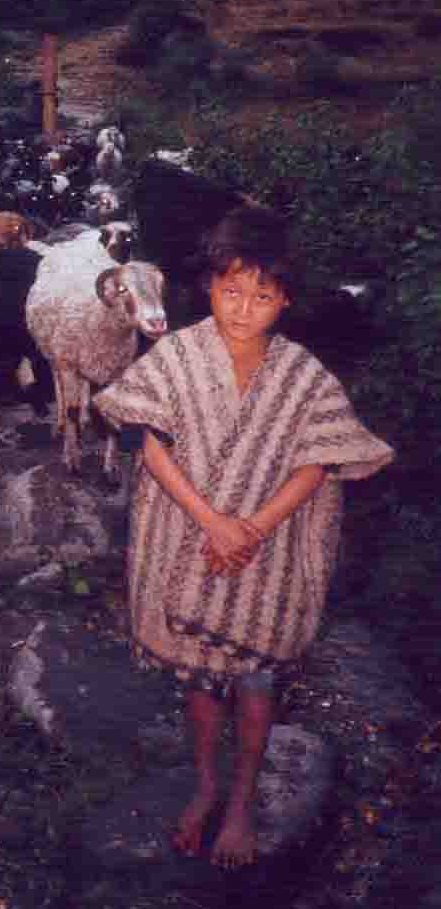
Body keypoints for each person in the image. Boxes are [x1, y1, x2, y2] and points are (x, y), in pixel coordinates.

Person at [93, 205, 395, 870]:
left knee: (256, 685)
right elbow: (150, 443)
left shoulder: (302, 375)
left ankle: (241, 802)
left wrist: (252, 527)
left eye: (262, 296)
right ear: (209, 286)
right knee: (200, 681)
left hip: (267, 553)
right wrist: (211, 521)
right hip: (189, 536)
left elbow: (320, 459)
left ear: (285, 300)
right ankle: (205, 786)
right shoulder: (177, 355)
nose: (242, 309)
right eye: (231, 291)